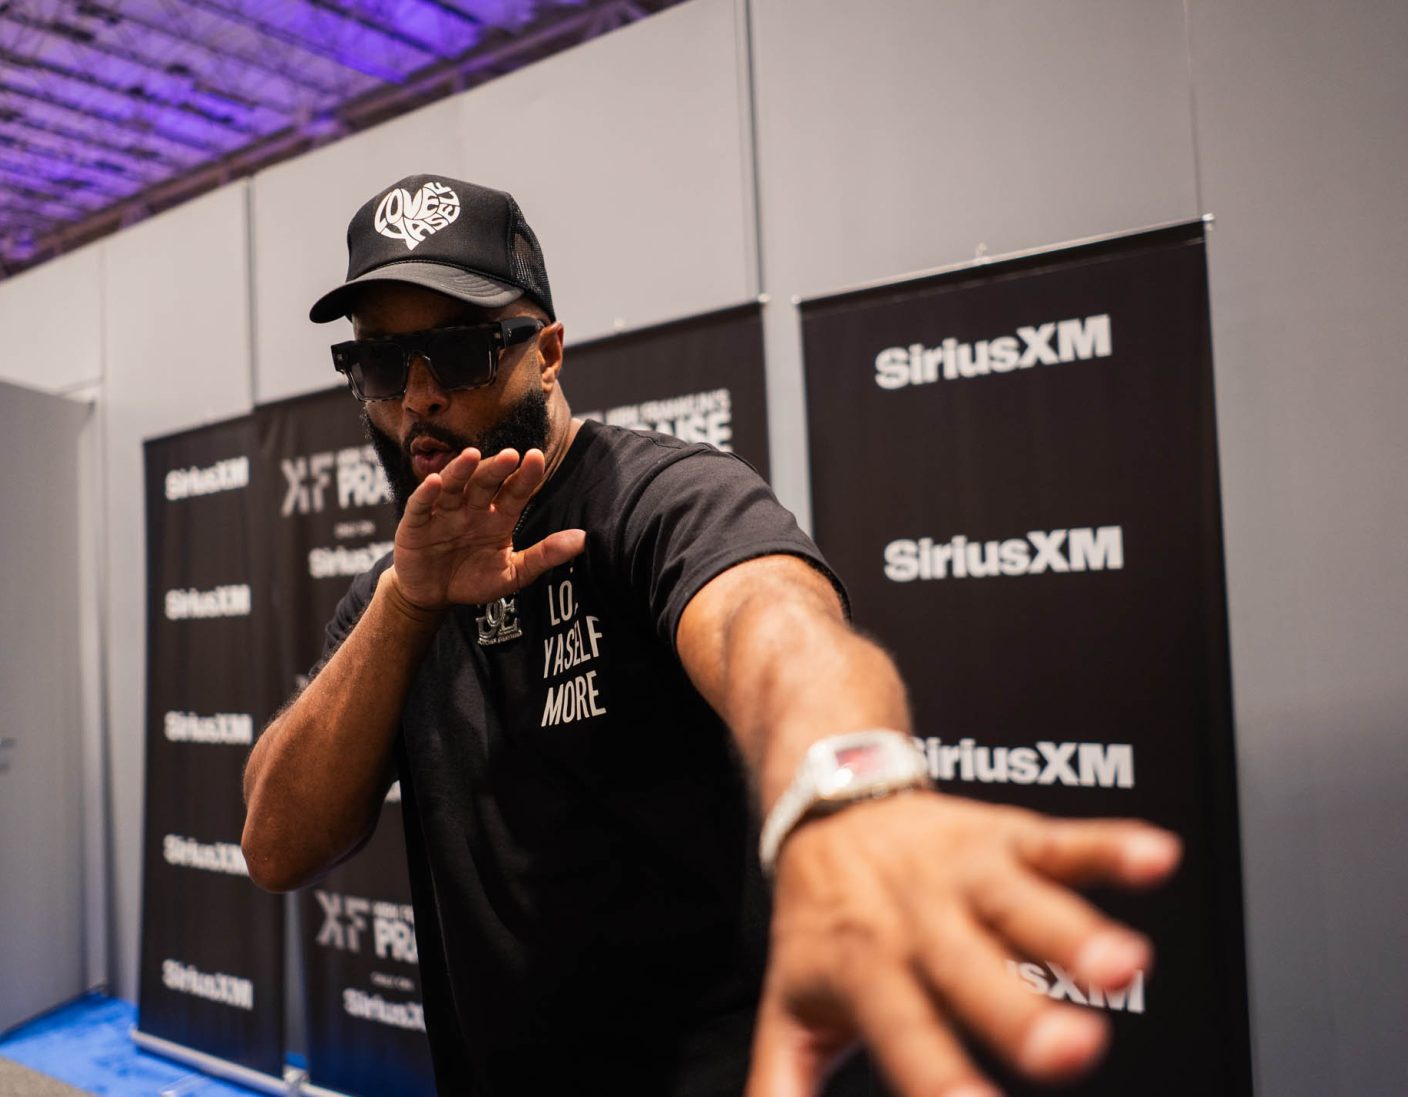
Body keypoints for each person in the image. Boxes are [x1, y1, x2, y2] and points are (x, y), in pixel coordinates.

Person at [241, 174, 1181, 1097]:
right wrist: (407, 603)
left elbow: (769, 622)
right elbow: (277, 844)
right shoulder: (394, 590)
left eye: (457, 354)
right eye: (377, 364)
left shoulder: (656, 496)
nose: (416, 400)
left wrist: (844, 785)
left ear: (549, 351)